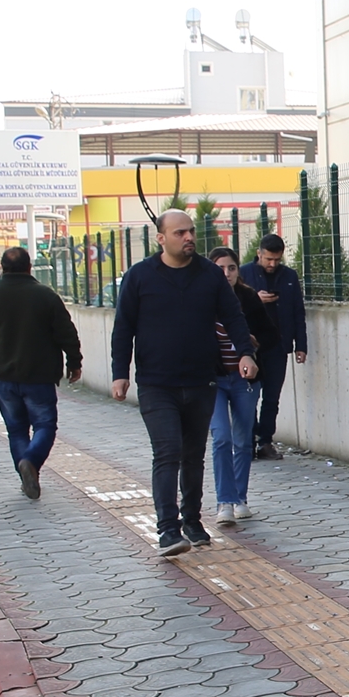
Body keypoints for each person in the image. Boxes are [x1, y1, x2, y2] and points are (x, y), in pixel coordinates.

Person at [111, 210, 259, 557]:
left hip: (201, 380)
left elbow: (234, 317)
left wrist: (245, 353)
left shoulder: (209, 275)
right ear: (161, 238)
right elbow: (123, 327)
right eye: (180, 233)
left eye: (191, 231)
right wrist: (120, 373)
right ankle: (167, 530)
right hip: (156, 383)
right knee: (167, 452)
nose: (189, 237)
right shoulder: (139, 276)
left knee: (193, 455)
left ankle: (192, 520)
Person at [0, 247, 83, 501]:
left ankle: (26, 474)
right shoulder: (45, 295)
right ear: (30, 267)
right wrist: (74, 362)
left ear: (2, 268)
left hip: (4, 376)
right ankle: (30, 462)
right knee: (45, 425)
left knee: (16, 430)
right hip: (39, 375)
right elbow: (66, 331)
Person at [207, 247, 278, 525]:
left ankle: (240, 498)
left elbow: (271, 335)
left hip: (244, 380)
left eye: (232, 268)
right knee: (221, 437)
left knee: (242, 439)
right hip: (213, 378)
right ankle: (224, 501)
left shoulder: (248, 298)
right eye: (220, 268)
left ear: (239, 269)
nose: (226, 274)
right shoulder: (204, 298)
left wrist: (253, 342)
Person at [240, 233, 308, 460]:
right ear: (259, 253)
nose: (272, 264)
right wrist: (254, 299)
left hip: (278, 345)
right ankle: (248, 440)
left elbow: (298, 311)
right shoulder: (244, 274)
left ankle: (265, 441)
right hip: (251, 346)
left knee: (272, 397)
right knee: (249, 395)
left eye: (277, 260)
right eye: (268, 259)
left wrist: (301, 345)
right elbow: (231, 308)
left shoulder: (288, 276)